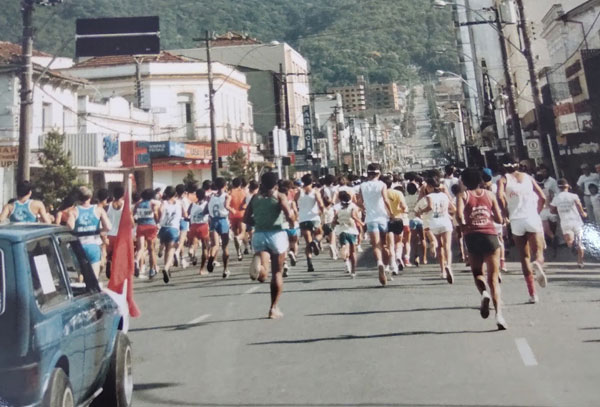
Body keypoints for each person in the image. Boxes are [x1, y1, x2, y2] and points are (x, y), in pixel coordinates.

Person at [457, 168, 506, 330]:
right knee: (494, 279)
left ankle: (483, 293)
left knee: (477, 272)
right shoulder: (489, 195)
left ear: (464, 181)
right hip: (490, 236)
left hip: (472, 236)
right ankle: (499, 315)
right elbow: (499, 218)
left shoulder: (463, 195)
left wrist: (465, 225)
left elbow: (458, 216)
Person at [244, 172, 295, 319]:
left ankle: (259, 268)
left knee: (263, 274)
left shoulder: (255, 198)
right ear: (276, 184)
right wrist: (292, 223)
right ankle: (273, 308)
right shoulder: (279, 196)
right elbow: (289, 215)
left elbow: (246, 218)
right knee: (277, 273)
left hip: (259, 235)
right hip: (276, 234)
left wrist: (259, 222)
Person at [497, 155, 547, 303]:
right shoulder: (528, 177)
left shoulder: (503, 180)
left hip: (516, 220)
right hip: (531, 217)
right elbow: (542, 197)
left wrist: (505, 212)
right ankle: (538, 263)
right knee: (538, 251)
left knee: (524, 257)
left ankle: (533, 294)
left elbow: (499, 196)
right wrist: (537, 210)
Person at [358, 163, 393, 286]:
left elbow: (359, 201)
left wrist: (364, 209)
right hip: (383, 218)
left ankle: (379, 263)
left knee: (375, 245)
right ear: (379, 174)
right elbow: (385, 199)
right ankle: (387, 266)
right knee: (385, 245)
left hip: (370, 219)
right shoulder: (382, 185)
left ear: (368, 173)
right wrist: (391, 213)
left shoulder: (362, 186)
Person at [415, 177, 455, 284]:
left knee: (439, 247)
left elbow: (425, 208)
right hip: (445, 222)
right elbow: (453, 209)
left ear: (430, 187)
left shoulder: (428, 197)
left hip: (433, 223)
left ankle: (442, 271)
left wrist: (421, 212)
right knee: (447, 246)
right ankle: (448, 266)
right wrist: (447, 212)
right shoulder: (444, 196)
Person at [67, 186, 111, 278]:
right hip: (93, 245)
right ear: (90, 197)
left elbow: (70, 227)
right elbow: (108, 227)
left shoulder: (73, 211)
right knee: (94, 277)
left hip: (79, 245)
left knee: (81, 275)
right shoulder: (98, 210)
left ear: (78, 198)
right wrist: (100, 232)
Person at [550, 179, 587, 268]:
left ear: (559, 188)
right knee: (580, 242)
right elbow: (578, 205)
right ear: (567, 186)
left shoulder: (556, 198)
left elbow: (552, 210)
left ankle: (573, 244)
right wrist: (583, 213)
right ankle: (580, 262)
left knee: (569, 242)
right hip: (576, 221)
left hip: (565, 222)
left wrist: (558, 211)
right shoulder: (574, 196)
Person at [296, 174, 325, 272]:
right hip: (314, 217)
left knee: (307, 243)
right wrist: (322, 212)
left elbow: (294, 202)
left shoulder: (299, 192)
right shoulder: (315, 192)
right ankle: (316, 241)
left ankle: (309, 262)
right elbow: (320, 204)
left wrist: (298, 210)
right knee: (320, 233)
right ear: (312, 182)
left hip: (303, 219)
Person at [158, 186, 185, 283]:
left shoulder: (163, 203)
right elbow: (185, 214)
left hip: (163, 228)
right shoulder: (179, 203)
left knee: (166, 249)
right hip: (173, 229)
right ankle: (166, 267)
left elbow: (160, 211)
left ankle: (168, 269)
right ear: (175, 194)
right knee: (171, 250)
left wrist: (161, 218)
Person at [333, 191, 363, 277]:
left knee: (344, 246)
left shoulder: (337, 207)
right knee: (353, 252)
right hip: (352, 230)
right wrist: (361, 223)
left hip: (341, 230)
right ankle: (353, 271)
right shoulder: (353, 206)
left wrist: (334, 224)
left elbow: (335, 220)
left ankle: (345, 255)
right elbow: (354, 216)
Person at [207, 177, 233, 278]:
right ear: (225, 185)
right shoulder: (227, 196)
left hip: (213, 221)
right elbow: (227, 206)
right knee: (225, 247)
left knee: (215, 245)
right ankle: (225, 269)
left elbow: (207, 208)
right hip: (223, 220)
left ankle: (212, 257)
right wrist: (232, 210)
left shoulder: (211, 196)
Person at [382, 175, 407, 274]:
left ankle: (394, 266)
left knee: (389, 245)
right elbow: (404, 207)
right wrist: (398, 211)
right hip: (398, 219)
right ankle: (398, 256)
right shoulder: (398, 193)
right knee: (399, 242)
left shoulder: (381, 194)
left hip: (386, 220)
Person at [134, 188, 161, 279]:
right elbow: (156, 214)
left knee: (141, 248)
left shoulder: (138, 204)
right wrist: (157, 222)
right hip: (150, 225)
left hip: (140, 226)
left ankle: (136, 261)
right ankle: (152, 269)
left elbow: (134, 214)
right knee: (151, 249)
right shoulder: (152, 203)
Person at [536, 165, 560, 256]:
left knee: (550, 227)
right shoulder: (538, 186)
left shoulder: (552, 182)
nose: (543, 174)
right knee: (545, 228)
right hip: (542, 210)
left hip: (549, 208)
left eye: (544, 172)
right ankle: (551, 240)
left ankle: (553, 239)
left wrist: (553, 205)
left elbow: (556, 194)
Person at [188, 188, 211, 275]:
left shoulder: (192, 204)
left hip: (193, 225)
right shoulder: (206, 204)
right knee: (205, 248)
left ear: (196, 196)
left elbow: (188, 214)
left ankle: (191, 249)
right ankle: (202, 269)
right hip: (203, 225)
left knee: (194, 242)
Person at [229, 177, 248, 261]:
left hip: (232, 216)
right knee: (242, 233)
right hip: (241, 215)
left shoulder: (230, 193)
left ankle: (238, 253)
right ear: (240, 184)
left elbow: (226, 204)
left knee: (235, 233)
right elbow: (246, 203)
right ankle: (246, 247)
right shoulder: (243, 192)